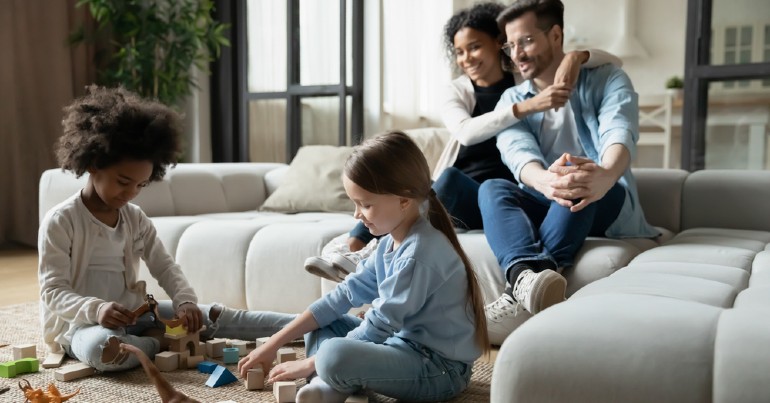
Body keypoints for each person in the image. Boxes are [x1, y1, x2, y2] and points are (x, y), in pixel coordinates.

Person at [304, 1, 621, 284]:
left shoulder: (523, 81)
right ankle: (356, 247)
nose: (467, 58)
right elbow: (466, 132)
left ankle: (365, 252)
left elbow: (611, 61)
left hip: (507, 198)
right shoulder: (459, 91)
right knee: (435, 183)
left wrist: (577, 56)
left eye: (475, 47)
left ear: (498, 43)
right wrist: (527, 107)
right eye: (459, 51)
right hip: (464, 194)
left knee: (485, 188)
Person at [38, 86, 295, 372]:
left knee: (211, 315)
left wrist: (185, 302)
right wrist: (96, 309)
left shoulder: (135, 218)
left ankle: (305, 324)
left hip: (139, 314)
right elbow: (53, 291)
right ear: (93, 164)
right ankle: (159, 342)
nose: (131, 193)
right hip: (82, 327)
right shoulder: (60, 221)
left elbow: (165, 267)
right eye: (123, 182)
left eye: (140, 185)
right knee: (105, 350)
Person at [238, 131, 489, 402]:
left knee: (332, 354)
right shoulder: (387, 244)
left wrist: (309, 363)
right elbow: (341, 296)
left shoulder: (420, 253)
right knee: (322, 325)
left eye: (365, 205)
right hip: (400, 346)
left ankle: (326, 380)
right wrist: (272, 344)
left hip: (440, 369)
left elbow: (379, 325)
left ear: (404, 201)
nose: (357, 214)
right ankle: (327, 385)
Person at [479, 0, 658, 326]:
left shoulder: (607, 78)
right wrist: (546, 181)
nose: (517, 54)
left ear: (555, 35)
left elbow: (620, 130)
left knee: (578, 176)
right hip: (545, 195)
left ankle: (520, 286)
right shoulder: (512, 100)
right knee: (492, 188)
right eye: (510, 45)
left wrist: (606, 173)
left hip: (604, 194)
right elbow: (517, 152)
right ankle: (525, 278)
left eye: (526, 41)